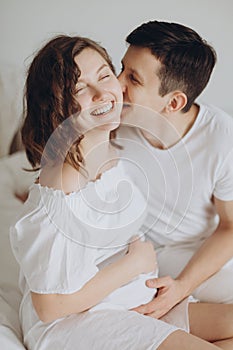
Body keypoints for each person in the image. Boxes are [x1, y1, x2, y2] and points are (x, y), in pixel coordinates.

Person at [9, 35, 233, 350]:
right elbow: (50, 307)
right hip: (77, 319)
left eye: (104, 75)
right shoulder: (63, 187)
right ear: (58, 104)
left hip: (124, 294)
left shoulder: (111, 146)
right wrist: (134, 264)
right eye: (80, 88)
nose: (109, 91)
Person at [118, 20, 233, 321]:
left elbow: (230, 227)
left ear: (174, 102)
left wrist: (183, 286)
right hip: (137, 256)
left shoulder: (221, 137)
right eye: (121, 69)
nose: (117, 84)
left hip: (196, 253)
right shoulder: (113, 121)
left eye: (133, 78)